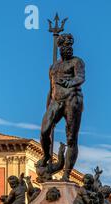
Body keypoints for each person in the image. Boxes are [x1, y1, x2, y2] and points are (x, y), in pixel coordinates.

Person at [40, 33, 85, 182]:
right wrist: (48, 106)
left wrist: (70, 82)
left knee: (71, 138)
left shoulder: (77, 62)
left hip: (72, 100)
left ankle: (66, 173)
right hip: (56, 100)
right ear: (60, 48)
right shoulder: (53, 67)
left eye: (70, 46)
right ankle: (46, 155)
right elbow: (50, 87)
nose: (68, 49)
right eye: (65, 46)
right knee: (44, 130)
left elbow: (80, 77)